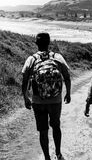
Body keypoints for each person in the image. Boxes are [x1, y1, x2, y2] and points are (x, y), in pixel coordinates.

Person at [22, 32, 71, 160]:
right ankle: (58, 154)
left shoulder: (31, 59)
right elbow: (66, 76)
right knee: (56, 126)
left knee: (43, 131)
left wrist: (25, 97)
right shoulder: (57, 57)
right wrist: (68, 93)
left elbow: (25, 79)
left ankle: (47, 157)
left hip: (38, 101)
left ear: (36, 44)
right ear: (49, 43)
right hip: (55, 100)